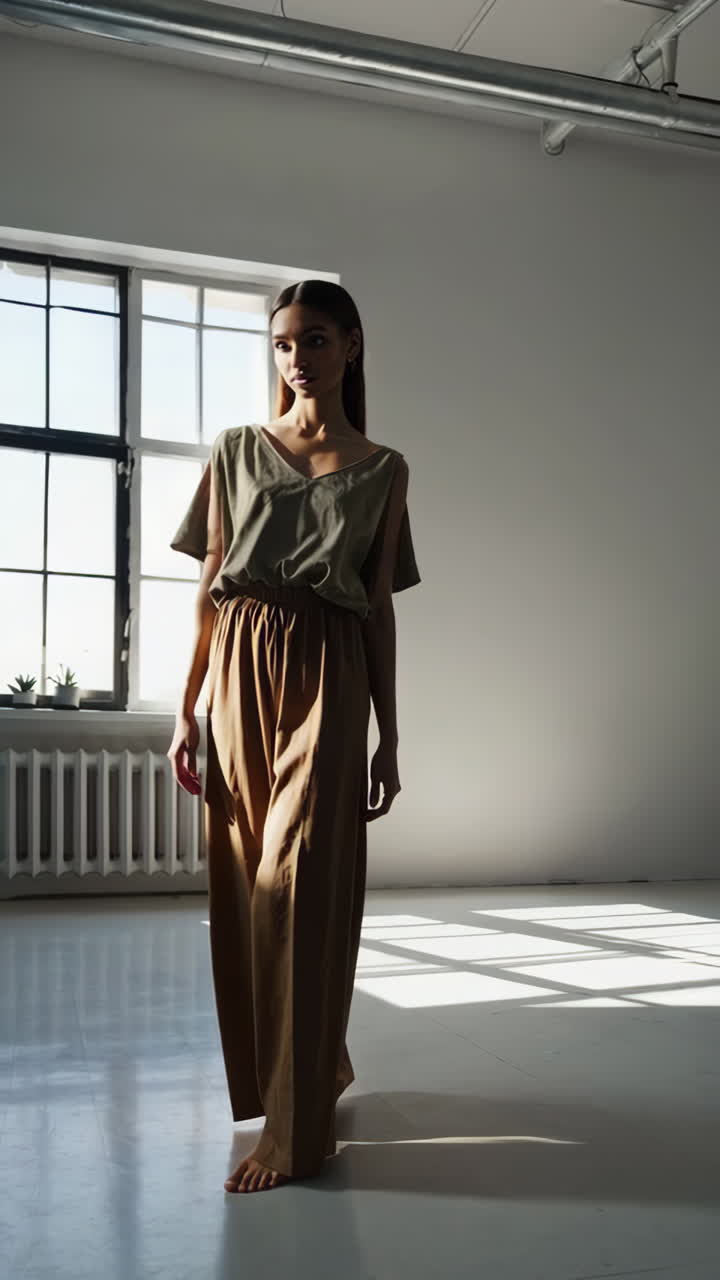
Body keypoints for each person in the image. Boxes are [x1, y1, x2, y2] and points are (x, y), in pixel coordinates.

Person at [166, 279, 421, 1194]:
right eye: (282, 344)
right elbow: (207, 587)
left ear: (351, 347)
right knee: (247, 891)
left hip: (331, 668)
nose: (296, 358)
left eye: (314, 340)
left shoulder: (385, 468)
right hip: (238, 670)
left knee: (301, 890)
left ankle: (293, 1128)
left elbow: (381, 614)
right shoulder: (236, 450)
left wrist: (390, 735)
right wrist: (186, 705)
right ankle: (320, 1064)